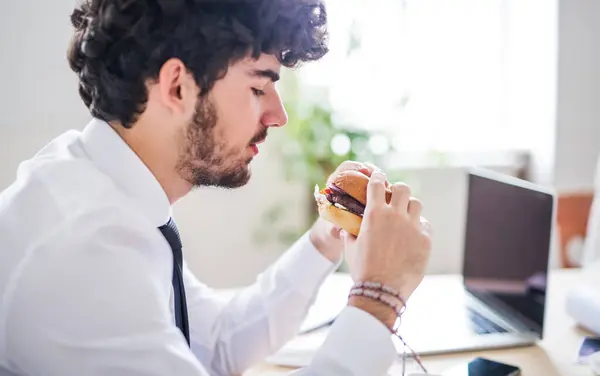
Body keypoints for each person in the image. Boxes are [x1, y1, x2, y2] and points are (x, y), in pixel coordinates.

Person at [0, 0, 432, 375]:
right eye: (259, 86)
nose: (278, 116)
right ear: (177, 86)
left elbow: (218, 343)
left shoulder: (109, 190)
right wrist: (379, 299)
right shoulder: (83, 251)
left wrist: (326, 237)